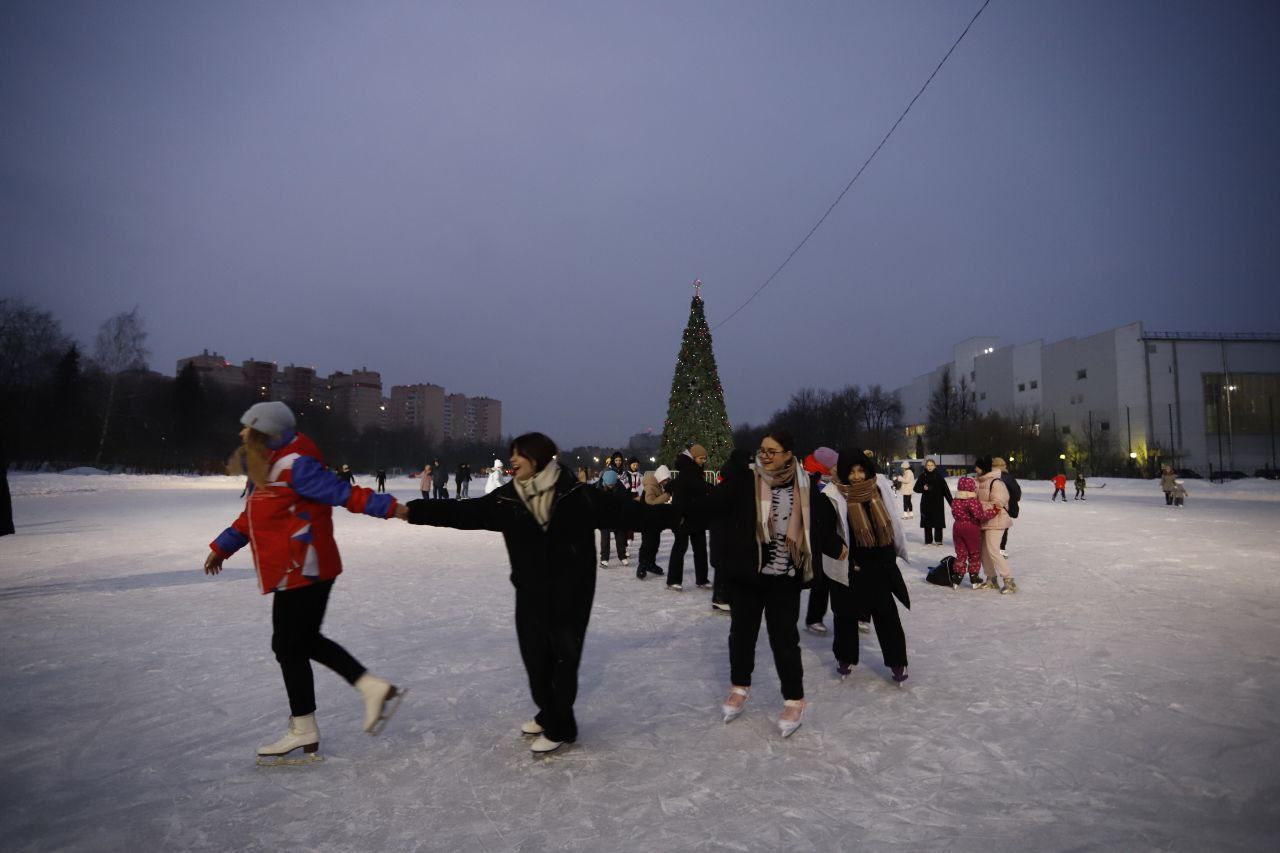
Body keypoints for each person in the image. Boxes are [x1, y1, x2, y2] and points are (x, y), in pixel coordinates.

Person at [402, 432, 677, 754]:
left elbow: (631, 514)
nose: (513, 460)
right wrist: (411, 511)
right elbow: (464, 512)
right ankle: (549, 712)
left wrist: (682, 516)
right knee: (536, 663)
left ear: (538, 458)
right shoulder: (507, 499)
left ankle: (561, 726)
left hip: (571, 594)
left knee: (563, 663)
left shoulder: (577, 495)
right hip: (530, 593)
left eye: (519, 454)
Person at [203, 401, 403, 765]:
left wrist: (393, 508)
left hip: (305, 566)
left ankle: (309, 724)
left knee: (289, 644)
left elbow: (343, 493)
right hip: (293, 568)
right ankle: (359, 694)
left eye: (249, 428)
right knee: (298, 643)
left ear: (267, 432)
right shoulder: (269, 464)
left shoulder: (296, 465)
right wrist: (223, 547)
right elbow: (252, 516)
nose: (242, 434)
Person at [683, 431, 813, 738]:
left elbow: (819, 521)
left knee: (784, 640)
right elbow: (711, 505)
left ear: (788, 454)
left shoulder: (804, 484)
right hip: (747, 574)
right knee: (742, 634)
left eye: (772, 451)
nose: (764, 456)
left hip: (785, 577)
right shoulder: (744, 480)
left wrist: (836, 548)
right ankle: (740, 686)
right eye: (762, 450)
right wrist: (672, 511)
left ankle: (794, 699)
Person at [814, 449, 910, 683]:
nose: (857, 476)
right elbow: (822, 530)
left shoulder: (878, 487)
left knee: (887, 615)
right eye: (851, 472)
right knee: (846, 615)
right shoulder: (831, 495)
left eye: (860, 470)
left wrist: (891, 555)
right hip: (850, 565)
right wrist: (836, 548)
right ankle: (845, 657)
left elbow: (892, 519)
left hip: (880, 563)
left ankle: (897, 661)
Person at [707, 451, 751, 611]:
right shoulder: (737, 482)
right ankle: (721, 597)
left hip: (723, 529)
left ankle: (722, 596)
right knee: (725, 564)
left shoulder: (729, 481)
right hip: (726, 530)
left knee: (725, 564)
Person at [801, 447, 839, 635]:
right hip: (815, 540)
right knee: (820, 580)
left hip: (833, 537)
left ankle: (856, 615)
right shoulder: (810, 484)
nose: (837, 469)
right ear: (825, 467)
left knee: (835, 579)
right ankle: (814, 618)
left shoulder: (832, 482)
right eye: (834, 466)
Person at [667, 444, 712, 591]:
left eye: (704, 459)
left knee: (700, 549)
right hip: (683, 517)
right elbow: (700, 487)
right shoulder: (689, 472)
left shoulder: (695, 471)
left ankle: (702, 579)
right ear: (693, 458)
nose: (703, 461)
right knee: (680, 548)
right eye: (700, 458)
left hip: (696, 516)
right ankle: (673, 580)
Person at [950, 475, 1001, 588]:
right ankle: (974, 578)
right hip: (971, 528)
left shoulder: (955, 500)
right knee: (974, 553)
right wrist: (994, 511)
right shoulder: (972, 501)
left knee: (961, 553)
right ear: (972, 487)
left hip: (957, 527)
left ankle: (957, 577)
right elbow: (980, 515)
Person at [974, 456, 1016, 593]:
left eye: (977, 466)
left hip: (997, 520)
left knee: (993, 550)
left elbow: (999, 502)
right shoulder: (978, 481)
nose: (975, 469)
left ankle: (1009, 580)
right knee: (983, 551)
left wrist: (977, 506)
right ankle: (991, 578)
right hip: (983, 520)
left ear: (984, 468)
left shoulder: (996, 482)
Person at [637, 464, 672, 579]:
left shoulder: (658, 485)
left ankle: (651, 563)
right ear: (660, 478)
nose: (666, 482)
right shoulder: (651, 486)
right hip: (646, 520)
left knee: (655, 543)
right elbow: (650, 501)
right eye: (665, 480)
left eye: (668, 480)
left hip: (654, 520)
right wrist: (666, 496)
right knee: (647, 543)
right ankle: (642, 565)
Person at [912, 459, 952, 546]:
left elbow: (946, 491)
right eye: (928, 465)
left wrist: (952, 504)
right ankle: (928, 540)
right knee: (927, 522)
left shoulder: (939, 477)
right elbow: (915, 489)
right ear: (925, 466)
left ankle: (938, 540)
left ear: (934, 466)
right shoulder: (923, 476)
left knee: (938, 521)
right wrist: (923, 488)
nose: (929, 467)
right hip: (926, 503)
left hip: (938, 503)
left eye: (931, 465)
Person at [596, 469, 630, 567]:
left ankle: (622, 556)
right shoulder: (599, 489)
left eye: (612, 484)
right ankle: (604, 558)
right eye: (609, 485)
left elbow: (625, 502)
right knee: (605, 539)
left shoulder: (621, 488)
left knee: (620, 538)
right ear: (605, 482)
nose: (611, 486)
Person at [992, 457, 1020, 557]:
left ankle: (990, 547)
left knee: (990, 527)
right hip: (1005, 506)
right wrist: (1013, 500)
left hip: (990, 505)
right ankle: (1001, 549)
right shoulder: (1008, 477)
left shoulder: (987, 476)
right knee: (1003, 528)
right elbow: (1017, 492)